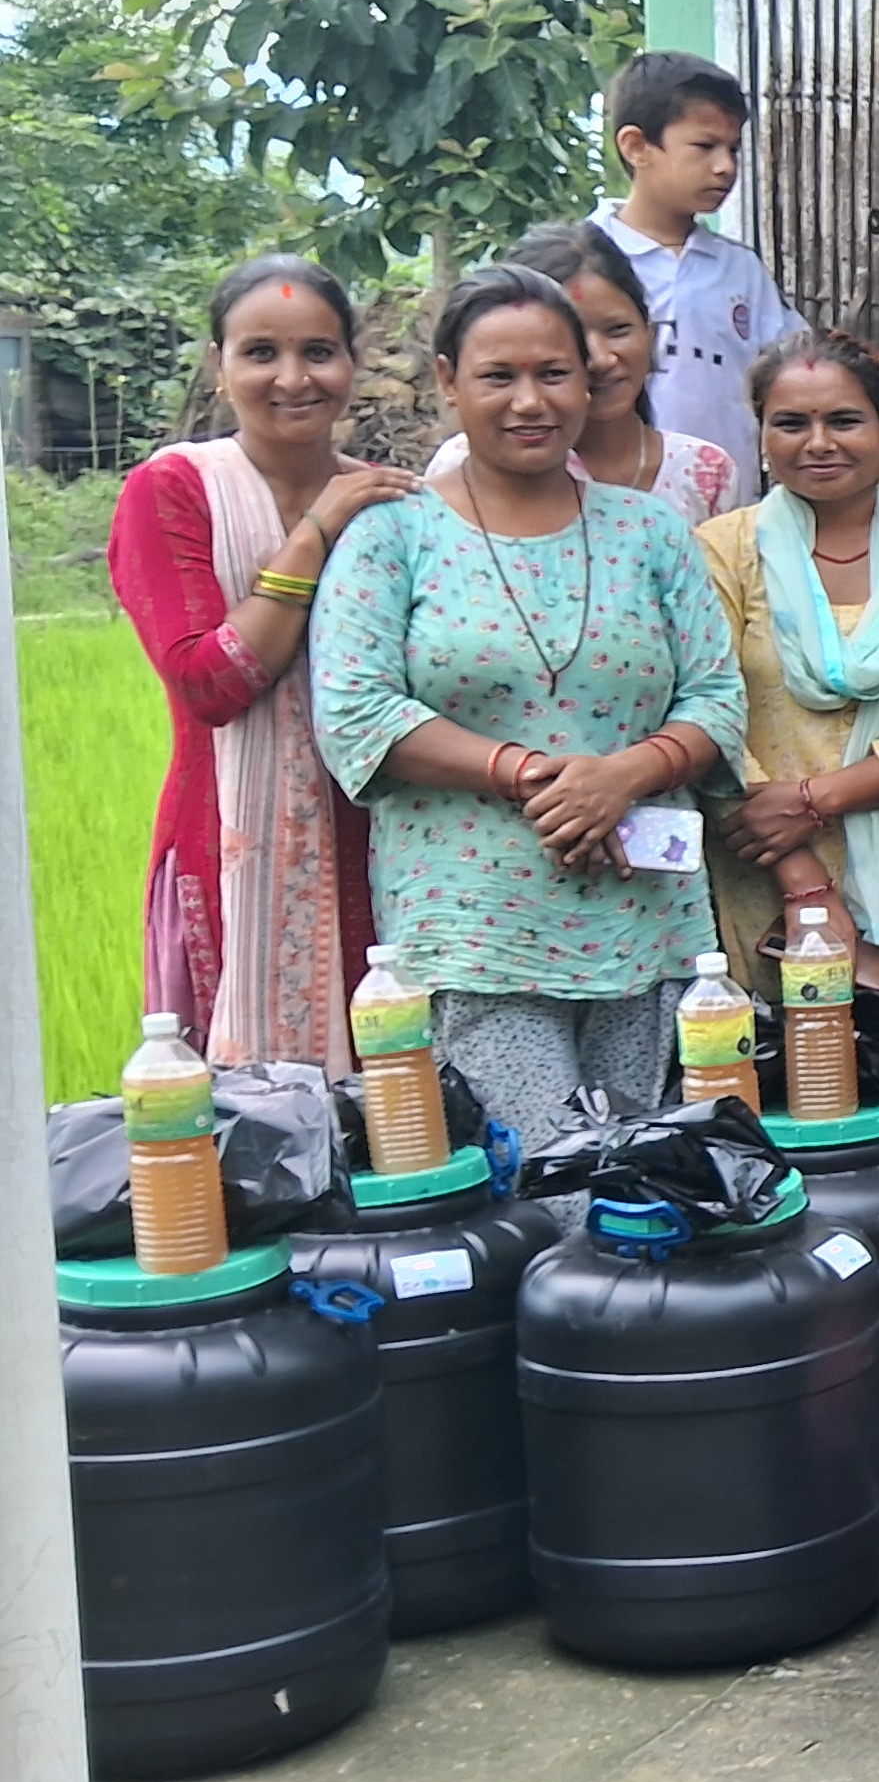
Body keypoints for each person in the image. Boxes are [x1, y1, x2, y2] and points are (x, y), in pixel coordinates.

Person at [307, 265, 747, 1152]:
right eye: (497, 376)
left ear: (590, 379)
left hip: (646, 918)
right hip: (477, 925)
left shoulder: (650, 530)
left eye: (553, 373)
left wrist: (624, 776)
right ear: (446, 382)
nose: (529, 401)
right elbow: (355, 712)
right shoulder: (394, 534)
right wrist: (534, 775)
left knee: (654, 1186)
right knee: (549, 1186)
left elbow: (717, 698)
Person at [111, 256, 417, 1072]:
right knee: (244, 1140)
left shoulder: (391, 503)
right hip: (224, 842)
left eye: (319, 351)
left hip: (380, 841)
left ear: (352, 361)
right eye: (260, 353)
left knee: (390, 1108)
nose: (293, 378)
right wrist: (315, 531)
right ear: (218, 364)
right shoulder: (174, 489)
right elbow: (214, 681)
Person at [691, 328, 879, 1152]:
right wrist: (803, 883)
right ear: (760, 436)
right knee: (783, 1096)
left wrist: (820, 799)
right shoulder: (723, 551)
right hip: (760, 871)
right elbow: (703, 707)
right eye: (790, 423)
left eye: (845, 421)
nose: (818, 443)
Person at [590, 50, 807, 504]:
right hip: (606, 504)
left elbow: (794, 372)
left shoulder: (740, 270)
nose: (725, 166)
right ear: (636, 147)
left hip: (723, 506)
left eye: (733, 149)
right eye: (705, 147)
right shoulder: (587, 261)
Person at [430, 221, 743, 522]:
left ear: (650, 334)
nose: (599, 359)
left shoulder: (706, 472)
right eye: (575, 338)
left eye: (618, 330)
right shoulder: (465, 465)